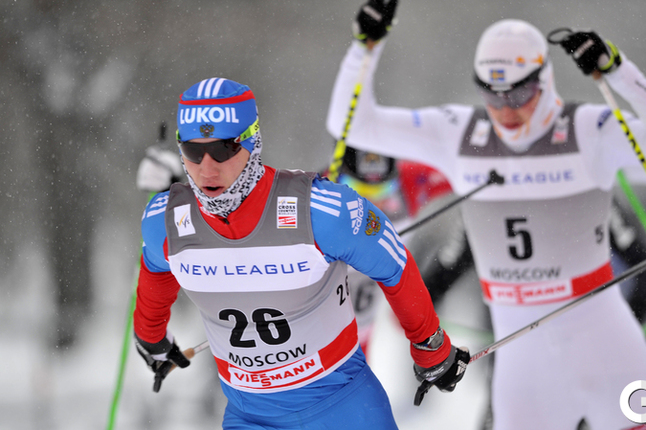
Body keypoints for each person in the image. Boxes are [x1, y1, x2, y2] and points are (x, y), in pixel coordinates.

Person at [327, 0, 646, 428]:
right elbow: (352, 124)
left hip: (603, 340)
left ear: (544, 79)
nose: (506, 109)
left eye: (519, 94)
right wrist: (365, 47)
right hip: (519, 355)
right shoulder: (459, 133)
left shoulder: (586, 129)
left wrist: (618, 72)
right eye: (491, 93)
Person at [132, 77, 470, 429]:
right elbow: (155, 270)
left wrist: (431, 347)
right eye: (192, 151)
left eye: (223, 150)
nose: (207, 168)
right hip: (251, 416)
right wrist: (152, 338)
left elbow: (394, 264)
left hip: (342, 407)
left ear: (251, 142)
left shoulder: (322, 210)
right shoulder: (164, 220)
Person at [321, 145, 474, 355]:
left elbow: (468, 172)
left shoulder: (410, 184)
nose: (370, 202)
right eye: (357, 190)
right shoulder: (316, 196)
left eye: (382, 190)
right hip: (317, 323)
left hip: (362, 325)